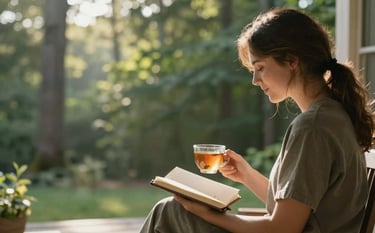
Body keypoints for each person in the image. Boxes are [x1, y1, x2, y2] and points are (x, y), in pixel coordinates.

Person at [139, 7, 375, 233]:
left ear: (292, 61)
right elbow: (294, 208)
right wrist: (247, 175)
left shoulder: (312, 127)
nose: (255, 80)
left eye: (260, 67)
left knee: (168, 211)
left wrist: (209, 213)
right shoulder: (332, 115)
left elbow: (282, 228)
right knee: (171, 210)